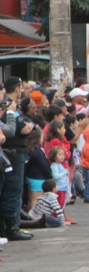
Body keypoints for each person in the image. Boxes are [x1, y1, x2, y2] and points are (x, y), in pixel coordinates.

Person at [0, 77, 36, 241]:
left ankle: (11, 226)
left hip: (13, 152)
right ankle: (12, 227)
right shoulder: (9, 106)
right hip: (13, 152)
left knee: (12, 191)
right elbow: (19, 129)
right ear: (17, 88)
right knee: (13, 191)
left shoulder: (12, 106)